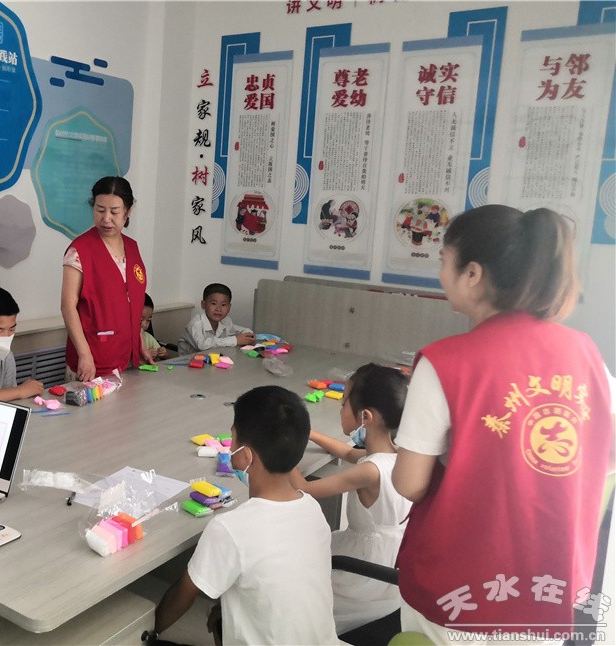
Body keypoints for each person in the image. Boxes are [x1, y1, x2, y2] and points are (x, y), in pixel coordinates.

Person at [390, 205, 614, 641]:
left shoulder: (445, 362)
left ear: (472, 274)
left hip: (459, 591)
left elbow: (410, 484)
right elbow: (606, 457)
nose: (440, 273)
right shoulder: (587, 352)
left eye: (443, 260)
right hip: (549, 589)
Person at [152, 386, 338, 645]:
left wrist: (152, 631)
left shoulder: (229, 528)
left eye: (233, 438)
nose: (230, 447)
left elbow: (182, 597)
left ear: (246, 456)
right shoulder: (311, 508)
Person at [289, 363, 412, 635]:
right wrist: (306, 431)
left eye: (344, 402)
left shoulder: (368, 471)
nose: (340, 408)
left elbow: (304, 488)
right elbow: (346, 452)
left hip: (364, 574)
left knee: (295, 581)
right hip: (390, 565)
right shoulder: (397, 456)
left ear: (365, 417)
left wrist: (281, 446)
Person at [61, 176, 154, 381]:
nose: (106, 219)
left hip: (128, 358)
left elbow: (132, 302)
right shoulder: (80, 251)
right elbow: (68, 307)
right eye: (100, 210)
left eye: (114, 212)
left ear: (128, 211)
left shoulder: (132, 247)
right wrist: (84, 354)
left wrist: (139, 343)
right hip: (92, 360)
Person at [177, 283, 255, 355]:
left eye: (223, 305)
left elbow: (240, 330)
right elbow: (202, 345)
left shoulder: (226, 321)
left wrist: (249, 336)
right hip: (188, 362)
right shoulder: (196, 323)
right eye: (213, 304)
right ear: (203, 304)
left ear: (229, 307)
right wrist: (235, 340)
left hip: (212, 360)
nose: (218, 309)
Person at [141, 293, 168, 361]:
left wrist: (163, 354)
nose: (144, 324)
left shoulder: (147, 337)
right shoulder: (122, 340)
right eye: (140, 320)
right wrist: (144, 355)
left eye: (148, 320)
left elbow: (166, 358)